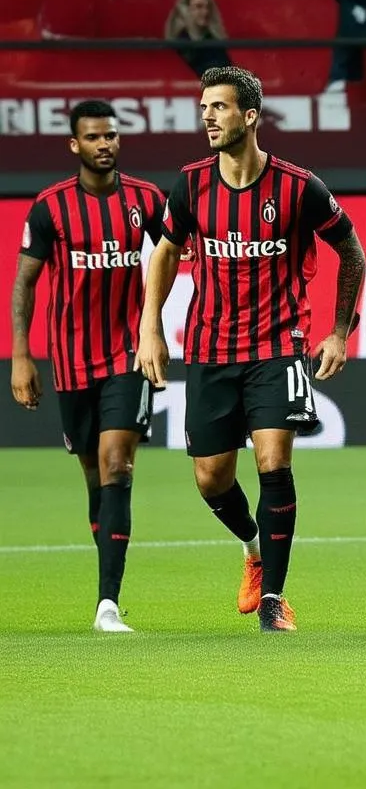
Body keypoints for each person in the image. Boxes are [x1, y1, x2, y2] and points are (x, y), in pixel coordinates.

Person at [135, 66, 366, 633]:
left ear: (250, 115)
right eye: (204, 106)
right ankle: (253, 547)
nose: (208, 116)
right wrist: (151, 328)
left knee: (273, 461)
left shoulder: (298, 186)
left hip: (278, 346)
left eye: (219, 106)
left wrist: (339, 329)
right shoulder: (190, 185)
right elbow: (165, 254)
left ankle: (274, 600)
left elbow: (352, 251)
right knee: (211, 477)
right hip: (211, 347)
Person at [10, 99, 164, 633]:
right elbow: (25, 282)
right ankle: (107, 593)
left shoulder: (146, 200)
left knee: (117, 463)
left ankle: (107, 604)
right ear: (75, 145)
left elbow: (174, 252)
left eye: (112, 136)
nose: (106, 145)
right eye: (94, 138)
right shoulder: (50, 207)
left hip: (129, 354)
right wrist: (22, 356)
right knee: (95, 477)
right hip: (71, 361)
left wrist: (156, 328)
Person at [164, 0, 232, 77]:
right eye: (199, 6)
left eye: (207, 7)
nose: (205, 12)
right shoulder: (178, 44)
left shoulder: (214, 42)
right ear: (185, 11)